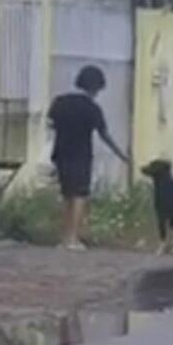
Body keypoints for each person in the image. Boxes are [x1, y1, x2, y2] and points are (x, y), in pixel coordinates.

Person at [48, 65, 129, 250]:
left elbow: (51, 123)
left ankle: (64, 238)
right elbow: (104, 135)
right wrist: (121, 154)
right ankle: (73, 238)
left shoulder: (59, 102)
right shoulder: (92, 108)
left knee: (67, 195)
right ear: (96, 87)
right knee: (79, 196)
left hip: (60, 153)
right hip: (81, 155)